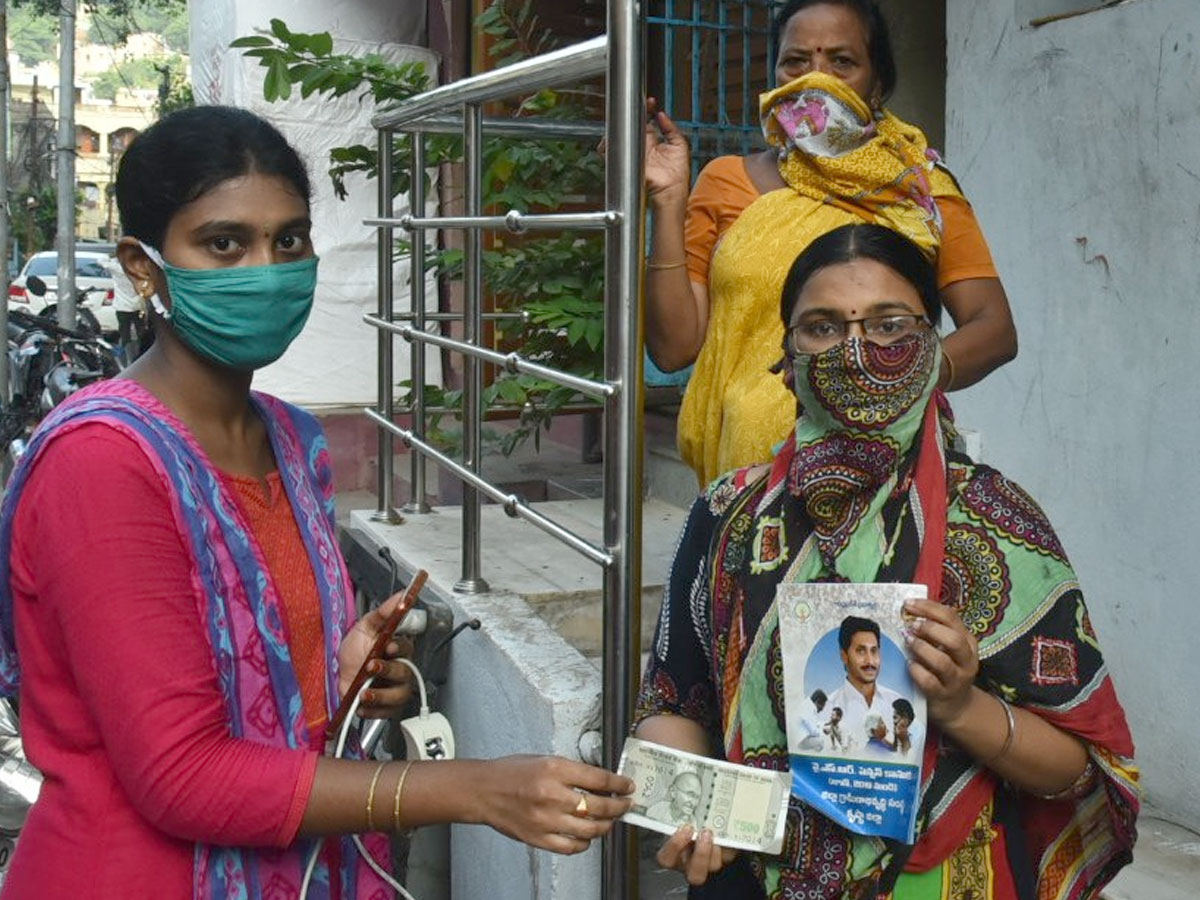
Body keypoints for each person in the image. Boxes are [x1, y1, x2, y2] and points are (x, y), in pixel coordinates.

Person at [0, 107, 633, 900]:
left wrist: (342, 675)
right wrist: (476, 789)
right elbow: (181, 775)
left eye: (288, 241)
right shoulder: (102, 463)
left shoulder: (290, 443)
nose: (266, 270)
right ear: (143, 265)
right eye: (225, 243)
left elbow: (246, 681)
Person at [634, 224, 1137, 899]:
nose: (855, 351)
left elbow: (1074, 769)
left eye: (888, 324)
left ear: (933, 347)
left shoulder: (994, 517)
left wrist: (958, 705)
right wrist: (693, 814)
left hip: (943, 876)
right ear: (785, 356)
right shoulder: (730, 513)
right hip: (748, 875)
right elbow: (675, 699)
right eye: (820, 327)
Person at [643, 0, 1018, 486]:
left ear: (877, 81)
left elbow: (995, 329)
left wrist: (898, 376)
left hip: (885, 469)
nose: (815, 79)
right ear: (776, 76)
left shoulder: (918, 188)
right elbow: (674, 349)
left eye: (841, 61)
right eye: (796, 61)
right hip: (746, 478)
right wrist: (669, 200)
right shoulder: (726, 181)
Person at [824, 616, 901, 751]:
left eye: (874, 651)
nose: (870, 661)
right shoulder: (828, 709)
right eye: (861, 651)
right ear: (844, 656)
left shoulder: (898, 703)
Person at [102, 250, 147, 362]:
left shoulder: (116, 269)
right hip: (138, 305)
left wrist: (111, 255)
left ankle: (125, 356)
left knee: (124, 332)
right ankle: (143, 353)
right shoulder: (137, 270)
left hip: (122, 307)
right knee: (140, 331)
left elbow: (101, 261)